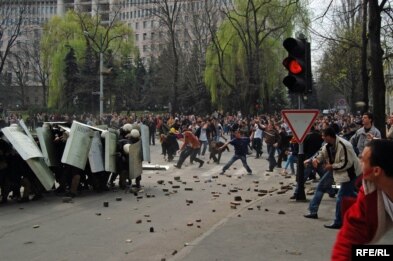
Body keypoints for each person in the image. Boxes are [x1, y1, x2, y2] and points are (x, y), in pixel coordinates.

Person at [331, 139, 393, 260]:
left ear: (376, 171)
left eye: (363, 161)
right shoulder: (369, 191)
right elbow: (349, 235)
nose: (360, 163)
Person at [308, 127, 361, 229]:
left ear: (328, 136)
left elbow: (346, 163)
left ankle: (338, 221)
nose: (322, 137)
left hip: (349, 173)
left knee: (341, 197)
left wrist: (331, 166)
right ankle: (366, 203)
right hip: (336, 172)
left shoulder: (344, 145)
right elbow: (322, 153)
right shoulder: (328, 145)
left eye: (323, 136)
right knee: (325, 187)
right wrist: (316, 160)